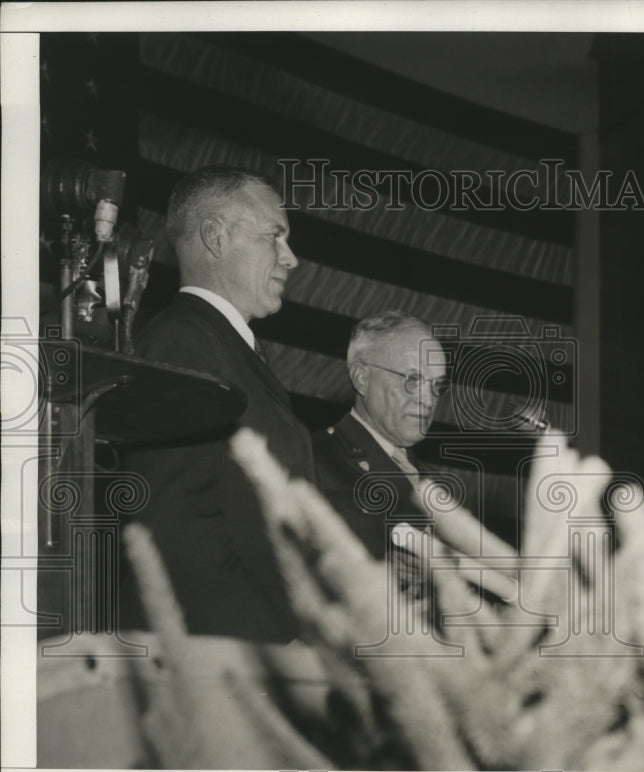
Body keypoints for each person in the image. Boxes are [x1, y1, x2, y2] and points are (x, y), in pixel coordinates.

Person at [121, 165, 313, 642]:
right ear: (216, 237)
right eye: (276, 236)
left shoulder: (224, 345)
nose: (291, 258)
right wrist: (281, 642)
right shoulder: (181, 344)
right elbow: (176, 532)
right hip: (231, 656)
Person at [312, 311, 450, 597]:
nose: (428, 400)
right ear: (362, 378)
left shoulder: (440, 486)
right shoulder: (314, 458)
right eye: (412, 379)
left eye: (437, 385)